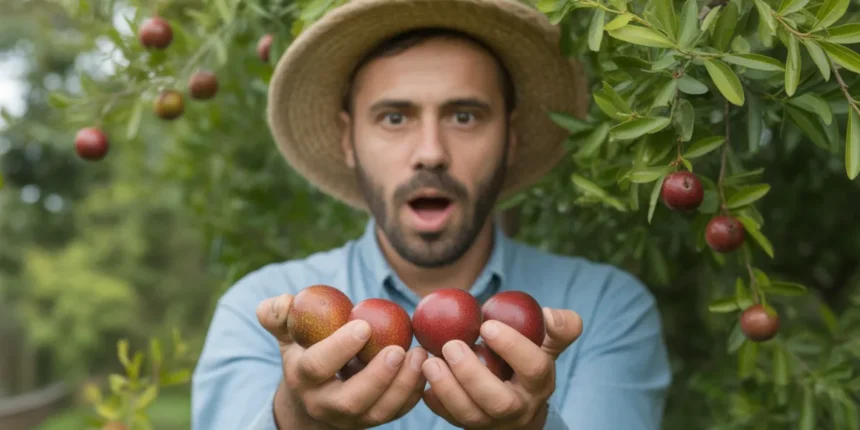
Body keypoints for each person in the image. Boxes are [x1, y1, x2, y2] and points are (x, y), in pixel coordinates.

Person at [191, 0, 672, 429]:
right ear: (347, 139)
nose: (430, 153)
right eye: (394, 118)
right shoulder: (265, 315)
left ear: (510, 137)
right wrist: (296, 420)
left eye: (464, 116)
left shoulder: (604, 309)